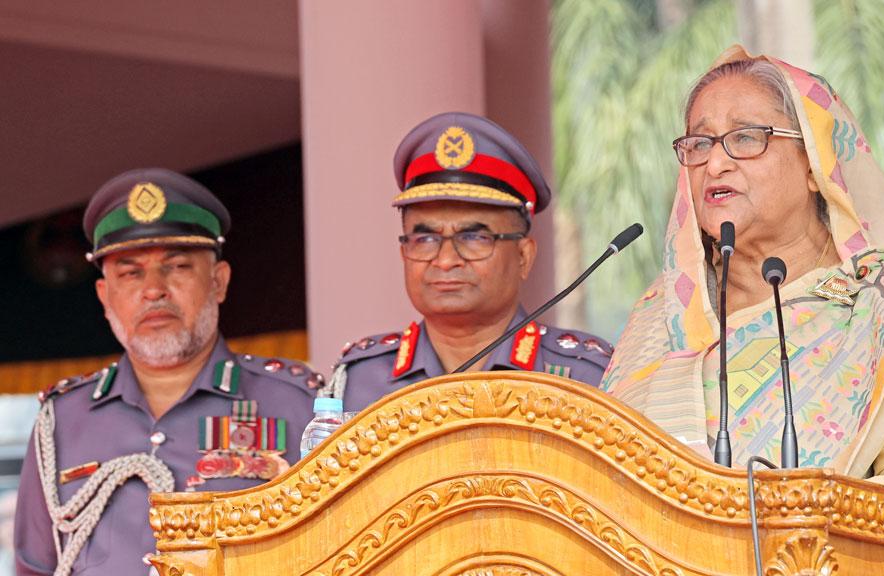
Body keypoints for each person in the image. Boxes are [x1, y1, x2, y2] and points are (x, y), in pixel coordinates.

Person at [601, 46, 884, 510]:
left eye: (746, 137)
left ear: (815, 162)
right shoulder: (662, 315)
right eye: (699, 144)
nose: (715, 163)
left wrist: (794, 530)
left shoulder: (881, 298)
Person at [14, 168, 321, 575]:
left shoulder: (298, 404)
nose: (153, 289)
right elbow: (33, 567)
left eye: (176, 267)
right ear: (105, 297)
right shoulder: (63, 421)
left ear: (218, 282)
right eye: (131, 272)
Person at [330, 112, 613, 412]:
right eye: (425, 239)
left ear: (523, 256)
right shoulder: (359, 382)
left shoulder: (587, 379)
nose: (446, 260)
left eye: (474, 238)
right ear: (404, 253)